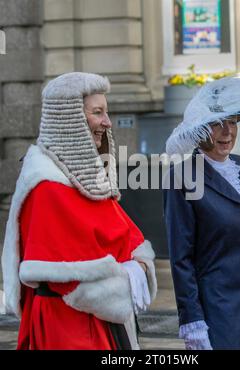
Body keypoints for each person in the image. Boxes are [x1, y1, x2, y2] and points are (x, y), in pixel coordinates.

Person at [1, 72, 157, 350]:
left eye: (106, 113)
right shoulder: (47, 186)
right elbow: (69, 278)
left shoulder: (82, 178)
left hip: (95, 323)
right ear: (69, 119)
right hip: (67, 327)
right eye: (97, 113)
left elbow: (122, 234)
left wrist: (137, 265)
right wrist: (130, 275)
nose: (107, 122)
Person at [163, 77, 240, 350]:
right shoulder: (182, 177)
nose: (226, 131)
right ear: (198, 129)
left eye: (232, 122)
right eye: (216, 123)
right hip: (218, 315)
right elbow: (181, 259)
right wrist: (193, 322)